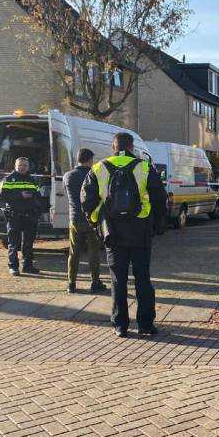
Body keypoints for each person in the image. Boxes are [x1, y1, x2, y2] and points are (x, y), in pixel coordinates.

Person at [81, 133, 167, 338]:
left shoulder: (98, 168)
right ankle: (145, 324)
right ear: (131, 147)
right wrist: (156, 225)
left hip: (113, 232)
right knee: (143, 278)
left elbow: (86, 201)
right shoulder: (144, 167)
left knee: (118, 280)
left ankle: (120, 325)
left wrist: (97, 224)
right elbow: (160, 198)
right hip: (141, 231)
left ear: (113, 146)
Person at [63, 148, 107, 294]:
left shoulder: (68, 176)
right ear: (90, 160)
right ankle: (95, 283)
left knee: (74, 252)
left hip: (74, 219)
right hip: (92, 218)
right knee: (93, 252)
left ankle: (71, 283)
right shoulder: (94, 175)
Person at [0, 157, 43, 276]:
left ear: (28, 167)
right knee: (13, 243)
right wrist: (20, 196)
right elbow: (2, 197)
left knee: (28, 243)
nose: (22, 167)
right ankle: (13, 267)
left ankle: (27, 266)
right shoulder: (8, 179)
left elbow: (38, 196)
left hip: (30, 216)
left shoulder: (31, 180)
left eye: (24, 165)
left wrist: (38, 210)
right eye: (20, 165)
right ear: (15, 166)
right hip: (15, 216)